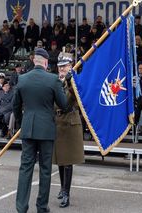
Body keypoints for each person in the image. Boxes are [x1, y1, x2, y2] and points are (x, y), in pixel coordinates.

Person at [13, 48, 67, 213]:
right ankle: (42, 207)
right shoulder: (53, 80)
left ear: (34, 61)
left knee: (25, 168)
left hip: (28, 128)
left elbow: (16, 107)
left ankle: (21, 207)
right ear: (45, 62)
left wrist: (23, 123)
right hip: (46, 131)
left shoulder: (22, 79)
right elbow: (64, 105)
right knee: (45, 169)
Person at [52, 52, 84, 208]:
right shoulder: (56, 81)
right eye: (59, 66)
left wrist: (71, 84)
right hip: (57, 121)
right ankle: (62, 187)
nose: (61, 69)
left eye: (64, 66)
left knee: (68, 161)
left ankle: (67, 193)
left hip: (70, 121)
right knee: (59, 159)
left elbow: (76, 99)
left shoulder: (75, 81)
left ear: (71, 66)